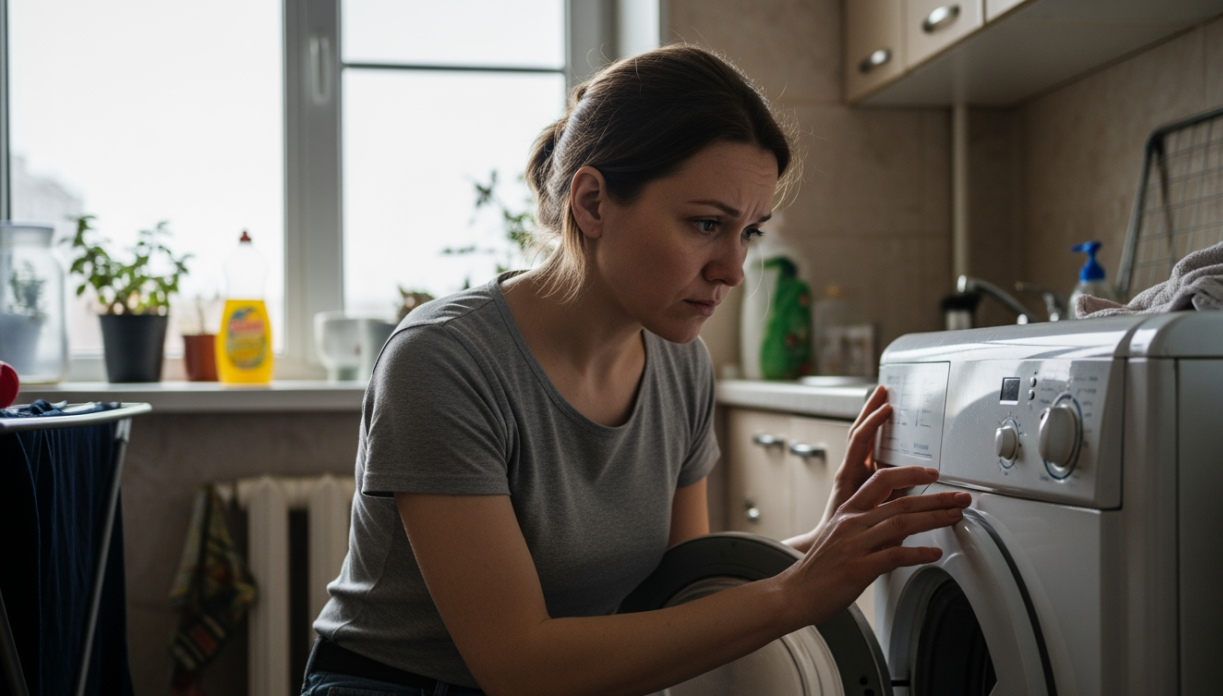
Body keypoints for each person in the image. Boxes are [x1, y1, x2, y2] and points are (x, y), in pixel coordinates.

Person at [304, 44, 970, 696]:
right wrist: (793, 593)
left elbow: (676, 592)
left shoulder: (682, 364)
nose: (733, 271)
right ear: (592, 204)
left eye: (749, 232)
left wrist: (818, 548)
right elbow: (518, 665)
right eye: (707, 224)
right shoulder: (443, 361)